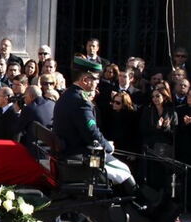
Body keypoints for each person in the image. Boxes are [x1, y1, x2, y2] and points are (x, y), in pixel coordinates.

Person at [53, 58, 136, 191]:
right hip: (82, 156)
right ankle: (133, 205)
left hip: (71, 151)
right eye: (96, 79)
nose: (98, 82)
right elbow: (92, 133)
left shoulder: (67, 95)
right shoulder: (81, 101)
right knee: (125, 171)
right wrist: (108, 147)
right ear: (86, 80)